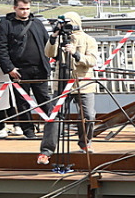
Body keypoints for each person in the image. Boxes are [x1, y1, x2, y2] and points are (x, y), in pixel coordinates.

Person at [36, 13, 99, 166]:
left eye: (68, 23)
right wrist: (53, 37)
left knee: (88, 115)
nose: (66, 26)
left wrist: (76, 53)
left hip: (83, 83)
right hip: (62, 83)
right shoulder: (59, 39)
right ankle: (46, 151)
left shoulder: (88, 40)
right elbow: (48, 53)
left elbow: (92, 61)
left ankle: (85, 143)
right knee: (54, 116)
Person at [0, 0, 52, 140]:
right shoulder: (6, 24)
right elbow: (0, 48)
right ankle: (28, 131)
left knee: (44, 98)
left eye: (27, 9)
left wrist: (49, 61)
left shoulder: (37, 23)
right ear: (15, 8)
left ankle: (52, 128)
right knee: (22, 102)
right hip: (18, 70)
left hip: (39, 68)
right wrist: (9, 68)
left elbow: (47, 43)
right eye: (21, 9)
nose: (25, 11)